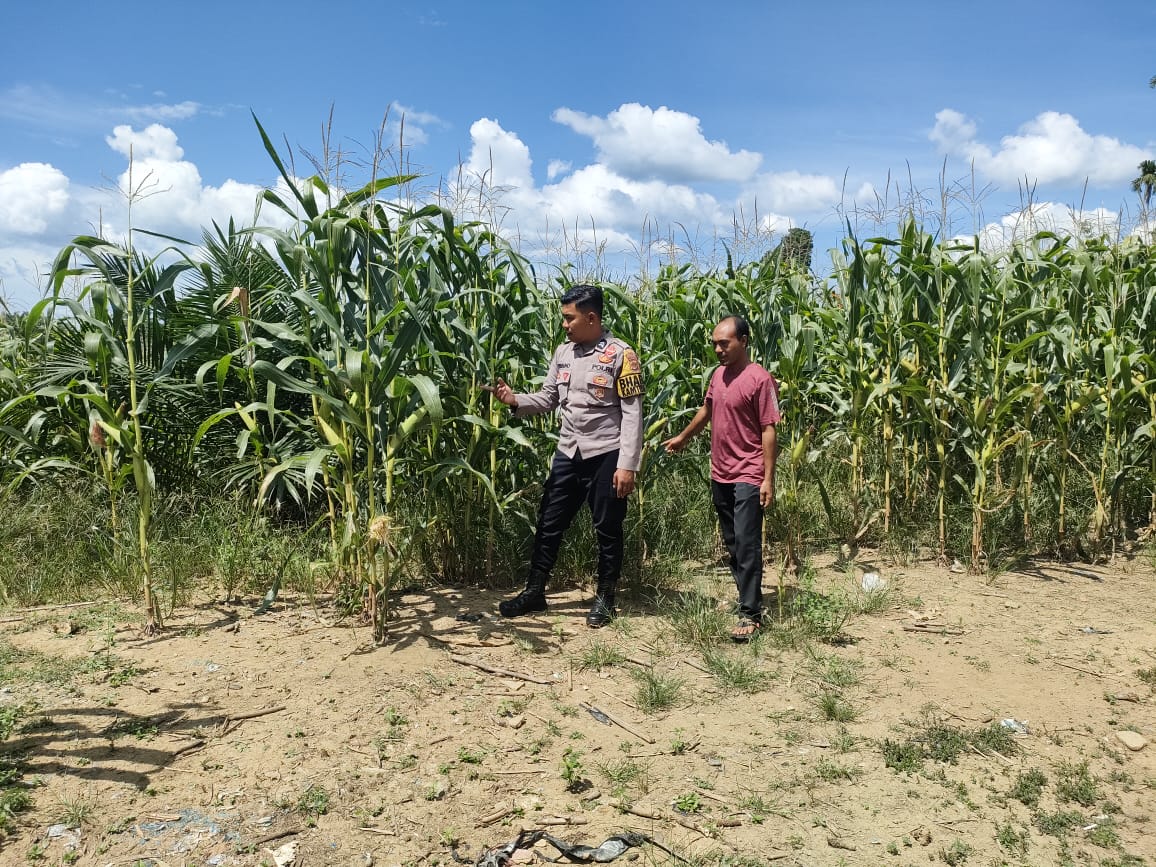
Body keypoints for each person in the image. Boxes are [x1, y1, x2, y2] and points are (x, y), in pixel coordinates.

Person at [484, 284, 644, 628]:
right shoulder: (564, 353)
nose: (564, 325)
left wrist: (627, 465)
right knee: (549, 522)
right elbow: (548, 398)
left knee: (608, 528)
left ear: (591, 317)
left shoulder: (621, 354)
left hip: (606, 454)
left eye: (569, 318)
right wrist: (515, 400)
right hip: (568, 452)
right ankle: (535, 591)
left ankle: (605, 597)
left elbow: (632, 413)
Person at [663, 315, 780, 641]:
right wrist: (684, 437)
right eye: (714, 343)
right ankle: (748, 598)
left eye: (724, 343)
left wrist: (768, 478)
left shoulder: (760, 379)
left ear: (743, 341)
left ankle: (751, 614)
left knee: (746, 542)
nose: (717, 349)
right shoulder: (718, 376)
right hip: (721, 472)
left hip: (749, 472)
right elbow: (707, 410)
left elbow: (769, 430)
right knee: (732, 543)